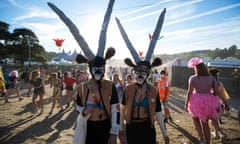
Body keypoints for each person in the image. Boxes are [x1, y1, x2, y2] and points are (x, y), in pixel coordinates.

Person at [48, 0, 119, 143]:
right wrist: (83, 111)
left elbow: (115, 109)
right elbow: (77, 105)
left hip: (106, 127)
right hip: (89, 128)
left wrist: (114, 131)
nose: (98, 71)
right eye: (95, 69)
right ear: (90, 68)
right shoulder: (82, 87)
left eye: (100, 68)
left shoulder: (110, 86)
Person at [116, 7, 169, 144]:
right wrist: (120, 129)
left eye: (143, 72)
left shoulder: (153, 91)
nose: (140, 75)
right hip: (131, 127)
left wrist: (165, 133)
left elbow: (158, 112)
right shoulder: (128, 89)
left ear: (148, 74)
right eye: (138, 72)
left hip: (147, 128)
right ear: (134, 72)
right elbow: (122, 110)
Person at [185, 57, 223, 144]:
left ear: (196, 68)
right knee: (205, 123)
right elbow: (217, 92)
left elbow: (189, 92)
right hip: (209, 100)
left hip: (196, 100)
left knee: (195, 119)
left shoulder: (193, 78)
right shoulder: (211, 78)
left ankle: (202, 138)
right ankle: (208, 142)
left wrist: (186, 103)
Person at [209, 68, 230, 140]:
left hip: (209, 103)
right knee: (214, 119)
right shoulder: (219, 83)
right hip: (218, 103)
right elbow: (222, 95)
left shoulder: (208, 82)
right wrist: (226, 104)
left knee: (212, 120)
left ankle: (222, 134)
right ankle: (216, 133)